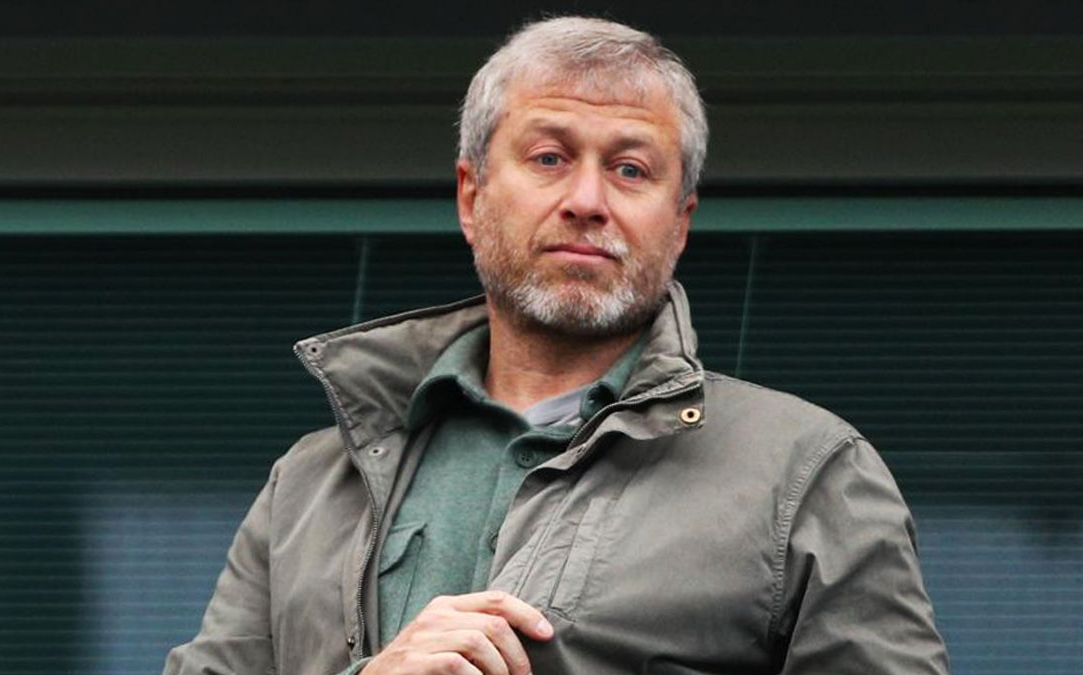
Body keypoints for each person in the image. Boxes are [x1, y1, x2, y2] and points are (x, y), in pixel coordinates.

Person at [164, 16, 949, 675]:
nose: (587, 200)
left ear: (679, 223)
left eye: (631, 169)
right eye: (549, 158)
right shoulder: (309, 483)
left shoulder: (807, 473)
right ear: (471, 196)